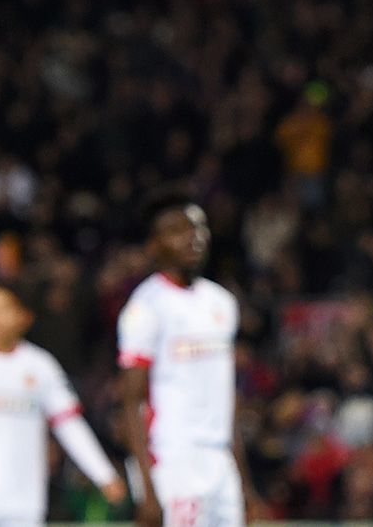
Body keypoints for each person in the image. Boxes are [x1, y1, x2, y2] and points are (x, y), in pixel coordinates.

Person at [0, 286, 125, 526]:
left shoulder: (41, 366)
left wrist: (104, 475)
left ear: (24, 317)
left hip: (25, 501)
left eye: (3, 308)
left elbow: (69, 425)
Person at [117, 193, 261, 527]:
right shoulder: (145, 307)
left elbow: (226, 400)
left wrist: (244, 483)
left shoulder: (222, 303)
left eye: (199, 227)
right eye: (178, 230)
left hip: (220, 460)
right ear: (155, 245)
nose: (193, 237)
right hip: (173, 459)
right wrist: (148, 490)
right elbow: (131, 402)